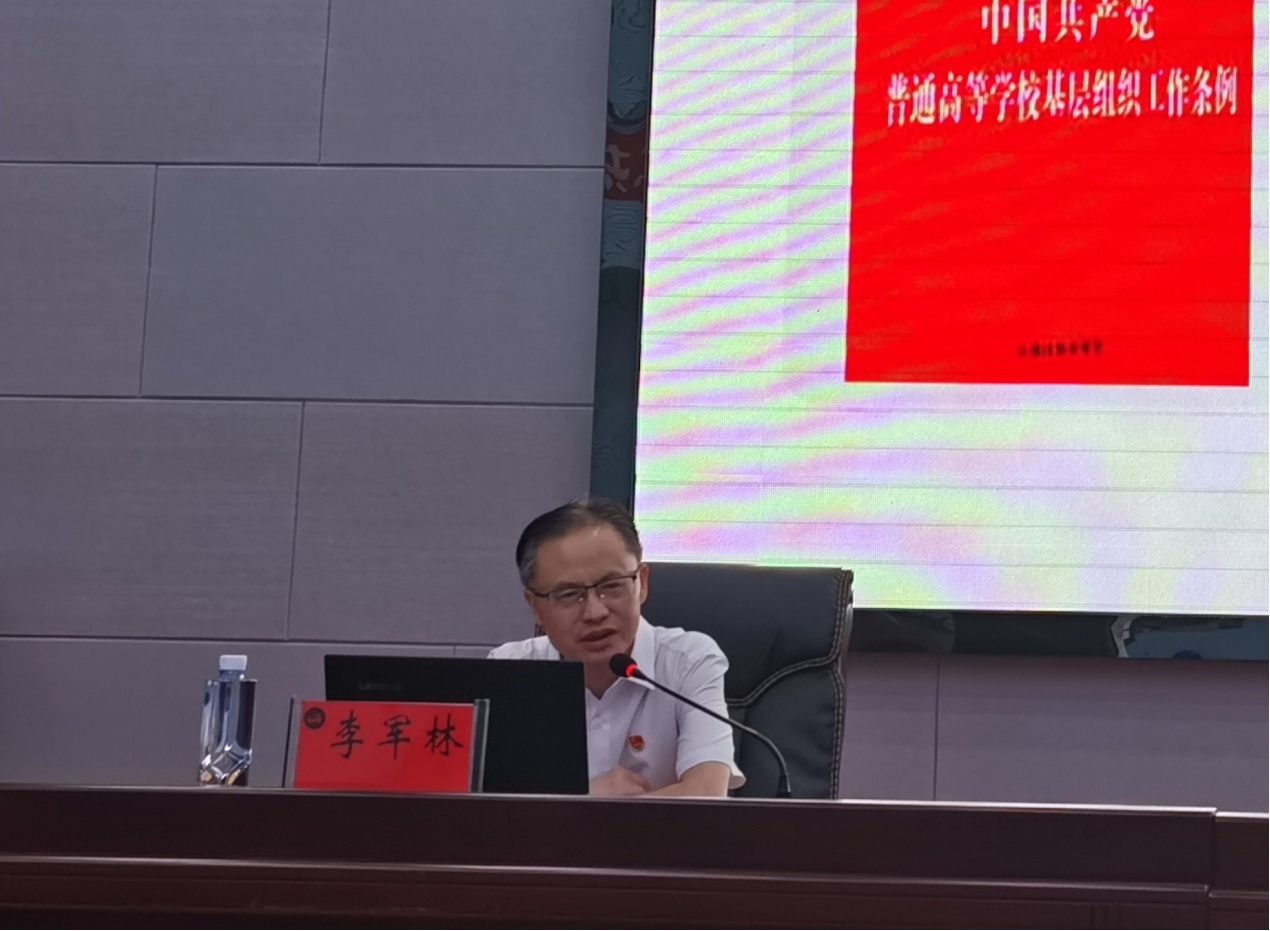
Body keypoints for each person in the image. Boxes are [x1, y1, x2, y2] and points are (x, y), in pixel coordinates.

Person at [488, 498, 744, 798]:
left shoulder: (688, 661)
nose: (595, 612)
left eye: (611, 586)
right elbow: (490, 808)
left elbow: (706, 793)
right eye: (569, 594)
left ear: (642, 583)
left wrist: (578, 807)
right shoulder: (510, 670)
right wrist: (589, 797)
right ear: (535, 607)